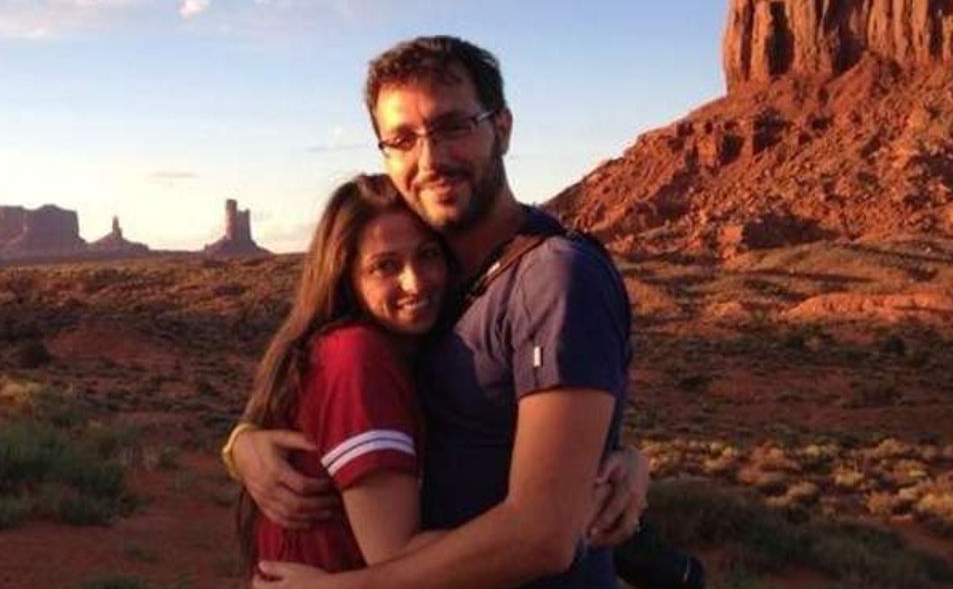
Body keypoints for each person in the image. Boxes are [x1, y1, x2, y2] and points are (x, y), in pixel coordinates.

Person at [230, 36, 646, 588]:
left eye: (453, 126)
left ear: (501, 127)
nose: (430, 160)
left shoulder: (553, 277)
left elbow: (544, 534)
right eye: (402, 139)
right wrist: (242, 444)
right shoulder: (444, 278)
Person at [237, 173, 451, 573]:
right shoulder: (357, 358)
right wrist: (544, 519)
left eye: (428, 254)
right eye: (385, 266)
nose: (415, 282)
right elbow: (396, 556)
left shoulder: (358, 350)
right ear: (345, 275)